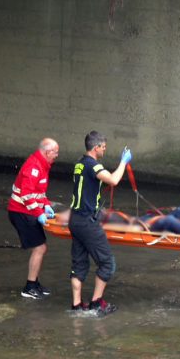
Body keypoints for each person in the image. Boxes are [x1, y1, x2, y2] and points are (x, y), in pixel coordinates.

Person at [68, 131, 132, 315]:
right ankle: (97, 303)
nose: (105, 150)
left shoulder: (79, 163)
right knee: (107, 264)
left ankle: (77, 306)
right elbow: (113, 180)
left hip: (75, 220)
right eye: (103, 147)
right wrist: (123, 162)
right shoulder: (92, 165)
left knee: (79, 263)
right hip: (87, 222)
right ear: (96, 148)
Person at [8, 138, 59, 300]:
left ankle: (34, 283)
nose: (57, 156)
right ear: (47, 152)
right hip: (21, 212)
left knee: (41, 248)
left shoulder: (42, 165)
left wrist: (46, 205)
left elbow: (39, 192)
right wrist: (39, 213)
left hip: (26, 211)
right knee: (40, 248)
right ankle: (29, 286)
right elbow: (26, 195)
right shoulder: (34, 167)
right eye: (55, 152)